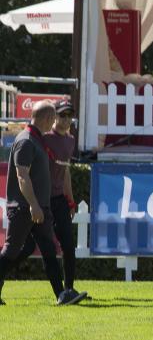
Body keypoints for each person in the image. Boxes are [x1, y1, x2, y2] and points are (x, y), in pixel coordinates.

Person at [0, 101, 86, 306]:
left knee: (49, 249)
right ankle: (62, 294)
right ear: (48, 119)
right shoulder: (26, 141)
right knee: (12, 250)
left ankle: (62, 294)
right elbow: (22, 177)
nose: (54, 123)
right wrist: (33, 205)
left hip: (37, 208)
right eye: (53, 119)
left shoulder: (36, 140)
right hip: (24, 208)